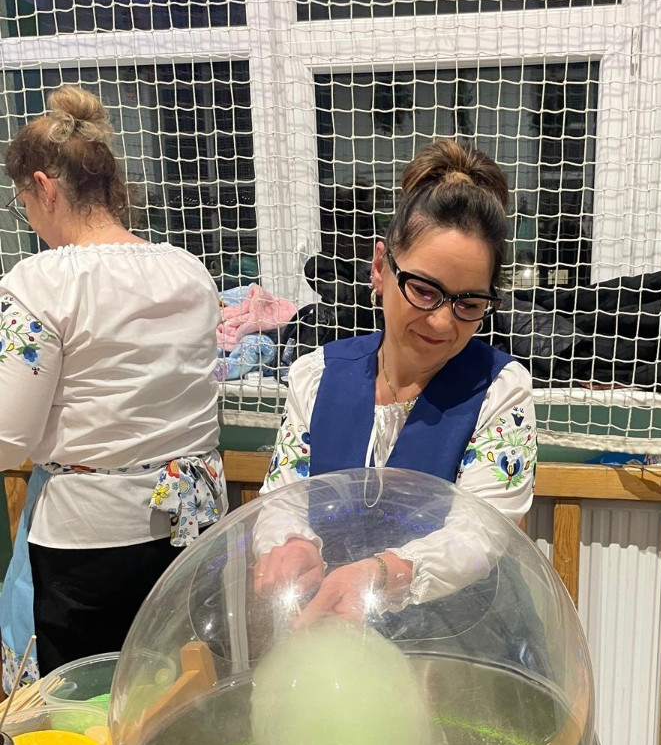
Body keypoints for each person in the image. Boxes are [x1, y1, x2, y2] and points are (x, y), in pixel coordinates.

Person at [255, 138, 538, 629]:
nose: (442, 322)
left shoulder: (500, 390)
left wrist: (387, 573)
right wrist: (292, 543)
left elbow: (482, 534)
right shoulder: (315, 376)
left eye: (469, 304)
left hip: (461, 641)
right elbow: (284, 499)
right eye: (424, 291)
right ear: (381, 268)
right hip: (337, 635)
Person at [0, 86, 226, 689]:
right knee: (180, 695)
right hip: (193, 532)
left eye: (25, 203)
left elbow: (7, 436)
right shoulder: (189, 271)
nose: (31, 219)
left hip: (89, 546)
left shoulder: (41, 282)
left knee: (90, 706)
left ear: (45, 187)